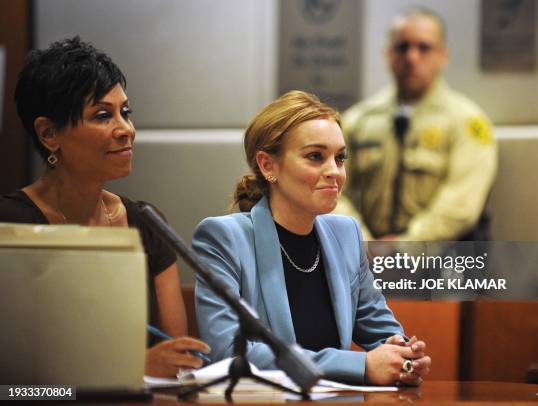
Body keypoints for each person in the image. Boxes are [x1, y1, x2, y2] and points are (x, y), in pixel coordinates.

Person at [0, 37, 209, 377]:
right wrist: (124, 368)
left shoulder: (147, 223)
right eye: (102, 115)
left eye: (125, 113)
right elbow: (14, 386)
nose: (126, 130)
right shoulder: (9, 226)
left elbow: (177, 364)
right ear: (49, 133)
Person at [192, 90, 431, 385]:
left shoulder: (346, 234)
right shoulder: (223, 238)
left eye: (340, 158)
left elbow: (381, 329)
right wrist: (361, 365)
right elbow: (227, 353)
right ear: (268, 165)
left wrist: (404, 354)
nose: (334, 171)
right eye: (315, 157)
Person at [336, 7, 497, 241]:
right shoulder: (358, 121)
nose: (412, 57)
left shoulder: (467, 122)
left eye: (424, 47)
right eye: (402, 47)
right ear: (388, 54)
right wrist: (362, 242)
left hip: (440, 259)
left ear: (443, 55)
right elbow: (332, 191)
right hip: (368, 257)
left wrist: (404, 248)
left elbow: (461, 204)